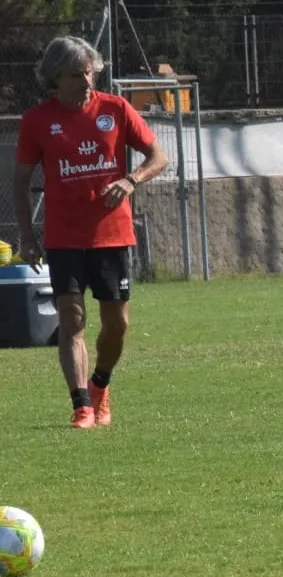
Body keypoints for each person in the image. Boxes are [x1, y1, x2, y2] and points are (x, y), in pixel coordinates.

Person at [12, 35, 168, 427]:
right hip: (64, 236)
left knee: (118, 324)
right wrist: (27, 237)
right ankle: (81, 404)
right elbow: (18, 183)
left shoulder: (115, 109)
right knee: (73, 318)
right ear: (54, 77)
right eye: (75, 74)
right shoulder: (36, 121)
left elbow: (158, 156)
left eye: (89, 71)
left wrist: (131, 180)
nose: (86, 80)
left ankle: (101, 383)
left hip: (112, 235)